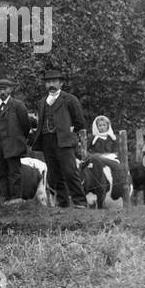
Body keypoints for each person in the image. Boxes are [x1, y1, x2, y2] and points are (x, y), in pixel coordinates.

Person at [35, 64, 87, 208]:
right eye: (48, 82)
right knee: (55, 175)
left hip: (64, 141)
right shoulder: (42, 102)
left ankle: (80, 202)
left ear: (61, 83)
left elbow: (80, 122)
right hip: (47, 141)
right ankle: (63, 203)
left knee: (70, 172)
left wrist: (68, 132)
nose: (51, 84)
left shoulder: (69, 99)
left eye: (54, 81)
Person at [0, 77, 31, 203]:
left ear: (10, 90)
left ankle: (16, 199)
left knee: (14, 174)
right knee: (1, 174)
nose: (2, 92)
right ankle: (4, 199)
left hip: (13, 146)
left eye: (5, 89)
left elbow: (26, 126)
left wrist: (17, 140)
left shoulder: (18, 105)